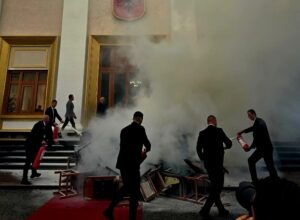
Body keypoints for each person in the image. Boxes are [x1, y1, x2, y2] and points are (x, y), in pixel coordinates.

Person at [103, 111, 151, 220]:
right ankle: (130, 217)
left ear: (133, 118)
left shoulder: (123, 130)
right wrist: (145, 151)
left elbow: (123, 147)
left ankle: (109, 209)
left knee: (128, 187)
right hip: (133, 164)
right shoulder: (141, 129)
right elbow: (148, 144)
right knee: (133, 190)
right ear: (140, 119)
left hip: (123, 164)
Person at [196, 115, 232, 219]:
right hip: (218, 165)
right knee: (218, 187)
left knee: (214, 187)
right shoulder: (219, 131)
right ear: (214, 121)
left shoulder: (202, 133)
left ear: (208, 122)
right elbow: (229, 144)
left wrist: (204, 159)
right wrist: (225, 145)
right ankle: (205, 210)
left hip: (209, 165)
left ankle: (221, 210)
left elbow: (198, 149)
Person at [237, 109, 278, 184]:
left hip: (264, 149)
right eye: (248, 115)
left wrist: (249, 148)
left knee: (252, 161)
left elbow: (256, 138)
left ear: (254, 114)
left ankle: (255, 181)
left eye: (249, 115)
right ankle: (275, 181)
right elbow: (253, 128)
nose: (248, 117)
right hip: (265, 148)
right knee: (270, 166)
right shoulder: (258, 121)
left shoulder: (259, 123)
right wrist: (242, 131)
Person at [21, 115, 53, 185]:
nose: (49, 120)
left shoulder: (47, 125)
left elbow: (49, 135)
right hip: (30, 145)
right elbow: (34, 134)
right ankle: (24, 179)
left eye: (49, 119)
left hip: (36, 145)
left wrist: (49, 142)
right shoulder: (38, 125)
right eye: (48, 119)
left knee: (35, 159)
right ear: (45, 119)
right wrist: (41, 141)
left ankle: (33, 173)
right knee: (28, 161)